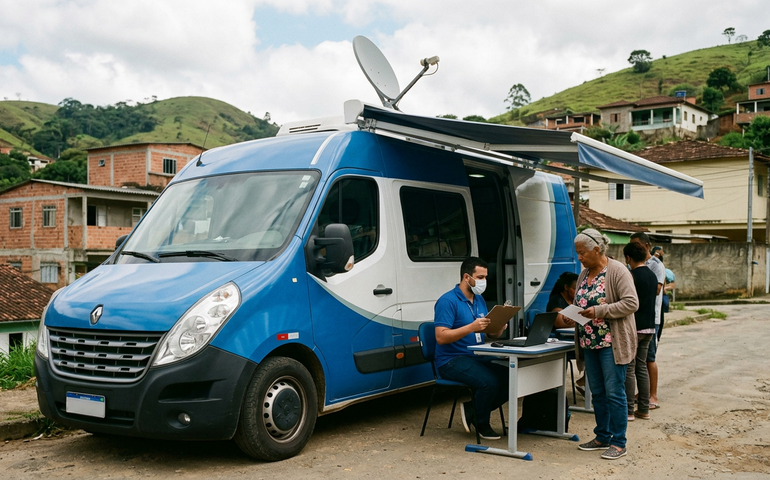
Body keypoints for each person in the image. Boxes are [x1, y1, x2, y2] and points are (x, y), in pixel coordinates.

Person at [573, 229, 638, 460]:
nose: (579, 257)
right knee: (598, 393)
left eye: (582, 253)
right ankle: (602, 436)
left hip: (612, 343)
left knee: (614, 393)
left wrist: (599, 311)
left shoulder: (617, 271)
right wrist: (574, 314)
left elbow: (631, 303)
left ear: (596, 250)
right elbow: (580, 301)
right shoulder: (584, 274)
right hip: (589, 342)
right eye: (577, 253)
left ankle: (619, 442)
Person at [434, 257, 509, 440]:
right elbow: (441, 337)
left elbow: (490, 334)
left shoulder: (479, 299)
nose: (484, 281)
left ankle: (472, 409)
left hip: (477, 355)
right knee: (489, 382)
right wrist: (470, 327)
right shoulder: (447, 301)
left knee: (511, 377)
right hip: (451, 359)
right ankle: (481, 422)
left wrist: (499, 327)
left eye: (485, 277)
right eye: (480, 277)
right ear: (467, 277)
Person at [622, 242, 658, 421]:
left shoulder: (630, 276)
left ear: (628, 258)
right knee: (641, 367)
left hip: (634, 327)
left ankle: (629, 410)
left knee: (629, 368)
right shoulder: (652, 275)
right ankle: (644, 409)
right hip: (649, 326)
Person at [630, 233, 665, 409]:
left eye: (636, 245)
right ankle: (642, 394)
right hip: (635, 318)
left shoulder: (656, 266)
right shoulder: (632, 266)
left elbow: (656, 289)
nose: (634, 249)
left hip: (651, 317)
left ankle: (653, 396)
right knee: (637, 361)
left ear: (645, 246)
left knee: (648, 358)